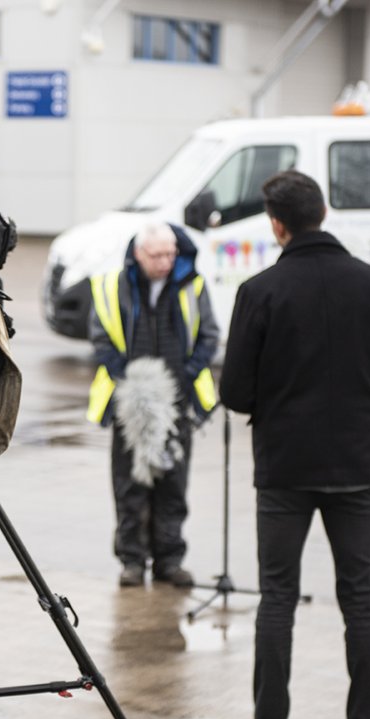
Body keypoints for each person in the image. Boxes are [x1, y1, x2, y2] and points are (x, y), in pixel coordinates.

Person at [218, 170, 370, 719]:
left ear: (276, 223)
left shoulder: (260, 291)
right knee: (360, 602)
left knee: (276, 600)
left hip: (283, 469)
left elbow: (234, 391)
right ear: (324, 212)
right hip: (356, 468)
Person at [88, 220, 220, 588]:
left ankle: (169, 560)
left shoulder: (192, 285)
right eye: (157, 254)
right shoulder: (114, 287)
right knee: (130, 486)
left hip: (177, 402)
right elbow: (100, 338)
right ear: (138, 254)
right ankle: (132, 561)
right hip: (130, 403)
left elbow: (210, 336)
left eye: (170, 253)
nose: (165, 261)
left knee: (173, 485)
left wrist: (188, 374)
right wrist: (124, 379)